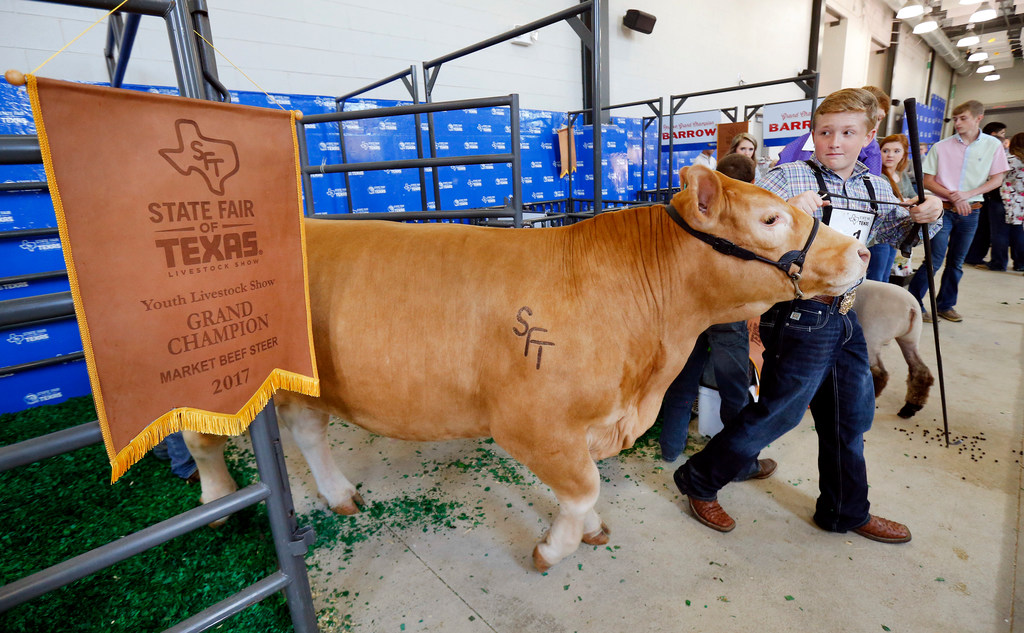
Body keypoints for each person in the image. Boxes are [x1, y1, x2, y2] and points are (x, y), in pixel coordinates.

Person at [673, 88, 943, 545]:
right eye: (824, 132)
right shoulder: (786, 178)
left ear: (869, 136)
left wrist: (926, 215)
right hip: (798, 315)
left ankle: (845, 511)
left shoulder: (875, 187)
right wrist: (787, 214)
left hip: (845, 313)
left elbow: (899, 234)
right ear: (812, 133)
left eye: (847, 132)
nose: (834, 141)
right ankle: (698, 480)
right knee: (779, 413)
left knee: (849, 418)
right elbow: (740, 230)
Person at [658, 154, 775, 483]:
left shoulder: (695, 210)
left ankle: (670, 448)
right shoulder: (746, 217)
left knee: (682, 384)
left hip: (690, 310)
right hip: (726, 312)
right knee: (733, 391)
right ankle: (737, 462)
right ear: (750, 183)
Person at [907, 101, 1009, 323]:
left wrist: (968, 194)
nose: (958, 123)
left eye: (963, 118)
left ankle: (945, 305)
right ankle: (913, 303)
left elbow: (997, 179)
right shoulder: (941, 146)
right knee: (933, 259)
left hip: (971, 212)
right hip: (942, 210)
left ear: (978, 118)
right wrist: (954, 195)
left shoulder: (993, 145)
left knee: (957, 261)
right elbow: (928, 181)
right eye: (955, 119)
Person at [776, 85, 889, 175]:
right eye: (825, 133)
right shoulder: (797, 149)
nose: (834, 144)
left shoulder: (878, 185)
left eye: (879, 119)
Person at [867, 134, 916, 282]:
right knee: (876, 276)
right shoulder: (878, 176)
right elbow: (886, 204)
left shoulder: (901, 176)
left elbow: (915, 197)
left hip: (895, 232)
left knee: (886, 275)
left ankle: (882, 304)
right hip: (879, 233)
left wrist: (904, 202)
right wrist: (904, 202)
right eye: (886, 150)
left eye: (896, 151)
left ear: (903, 154)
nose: (890, 155)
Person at [964, 122, 1008, 267]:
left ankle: (973, 256)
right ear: (994, 135)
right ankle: (974, 256)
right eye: (1002, 134)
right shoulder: (986, 152)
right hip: (984, 196)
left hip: (984, 195)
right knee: (984, 230)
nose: (1004, 138)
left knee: (983, 230)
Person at [995, 132, 1024, 272]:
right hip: (1021, 203)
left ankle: (999, 263)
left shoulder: (1010, 159)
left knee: (1000, 233)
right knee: (1018, 232)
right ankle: (1020, 263)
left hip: (1005, 199)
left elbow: (994, 176)